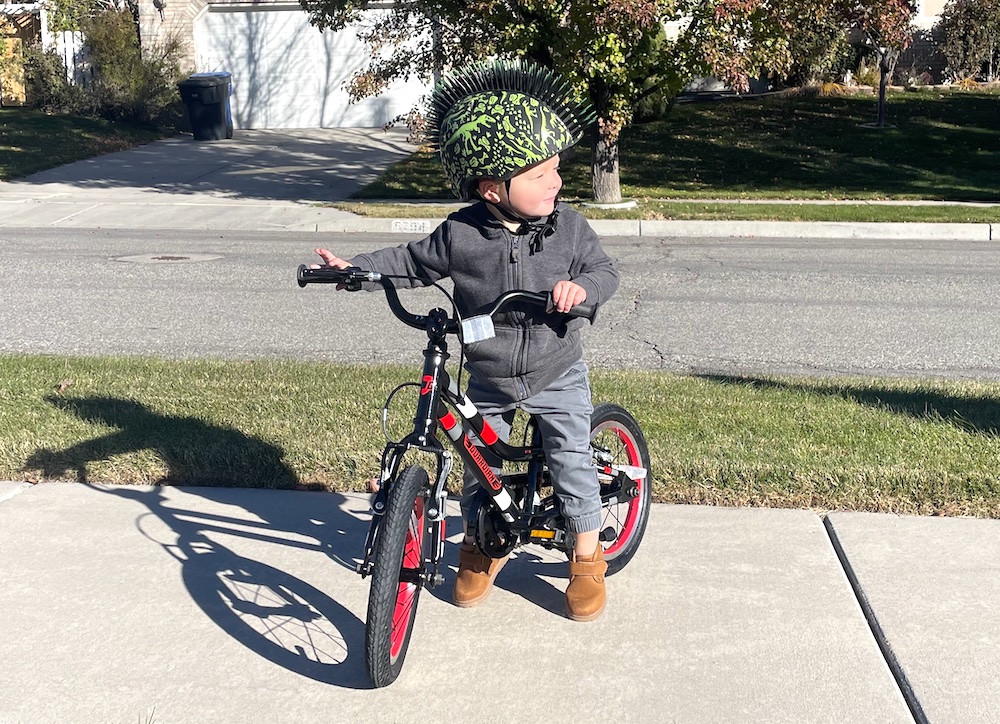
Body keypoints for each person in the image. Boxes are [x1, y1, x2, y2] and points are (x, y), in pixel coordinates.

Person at [313, 58, 619, 621]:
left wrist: (582, 289)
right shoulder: (461, 233)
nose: (556, 181)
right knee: (478, 463)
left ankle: (585, 554)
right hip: (489, 370)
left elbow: (605, 272)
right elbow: (410, 261)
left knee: (571, 456)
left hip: (556, 367)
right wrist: (354, 269)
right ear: (491, 188)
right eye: (539, 174)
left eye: (555, 170)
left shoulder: (570, 227)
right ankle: (481, 545)